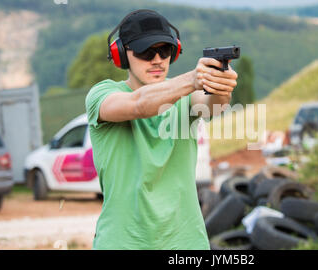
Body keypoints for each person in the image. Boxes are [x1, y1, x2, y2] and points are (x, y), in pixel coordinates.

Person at [85, 10, 238, 249]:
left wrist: (219, 85)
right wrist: (194, 79)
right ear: (122, 54)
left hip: (186, 245)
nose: (157, 59)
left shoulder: (184, 96)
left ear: (174, 52)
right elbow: (138, 105)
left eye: (164, 51)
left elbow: (212, 105)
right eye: (146, 51)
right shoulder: (101, 94)